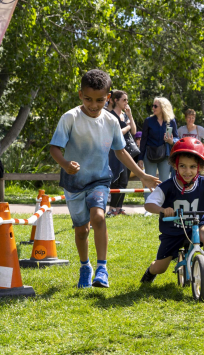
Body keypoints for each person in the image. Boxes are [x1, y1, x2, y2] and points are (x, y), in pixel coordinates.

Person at [49, 69, 160, 288]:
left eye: (99, 100)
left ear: (108, 98)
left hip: (100, 179)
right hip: (74, 182)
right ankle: (85, 267)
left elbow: (121, 151)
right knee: (81, 230)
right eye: (88, 99)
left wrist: (142, 175)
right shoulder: (70, 118)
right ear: (80, 94)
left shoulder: (110, 121)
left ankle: (102, 269)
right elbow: (55, 148)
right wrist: (65, 164)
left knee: (98, 217)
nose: (93, 104)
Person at [140, 138, 204, 294]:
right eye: (183, 166)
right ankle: (150, 271)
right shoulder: (167, 186)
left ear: (200, 167)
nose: (187, 171)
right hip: (172, 231)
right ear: (175, 165)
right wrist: (162, 210)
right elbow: (149, 204)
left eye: (192, 167)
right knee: (160, 268)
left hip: (196, 226)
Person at [138, 97, 179, 215]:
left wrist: (171, 141)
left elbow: (176, 138)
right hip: (149, 155)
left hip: (165, 155)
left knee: (164, 181)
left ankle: (164, 207)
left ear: (163, 108)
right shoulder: (148, 121)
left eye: (156, 106)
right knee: (148, 181)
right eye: (153, 105)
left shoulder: (171, 121)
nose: (153, 108)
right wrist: (140, 158)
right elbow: (144, 140)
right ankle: (148, 209)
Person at [106, 90, 137, 217]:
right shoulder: (110, 115)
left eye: (127, 100)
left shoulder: (125, 115)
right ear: (115, 100)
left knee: (124, 181)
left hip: (127, 151)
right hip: (115, 152)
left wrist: (130, 116)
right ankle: (112, 208)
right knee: (116, 179)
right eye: (124, 100)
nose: (126, 102)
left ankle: (119, 208)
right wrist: (128, 127)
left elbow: (134, 132)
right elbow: (116, 134)